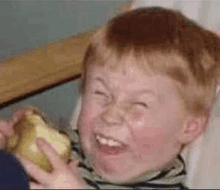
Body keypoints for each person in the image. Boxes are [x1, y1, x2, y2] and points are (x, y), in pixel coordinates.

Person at [2, 6, 220, 189]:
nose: (111, 116)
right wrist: (14, 147)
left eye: (139, 104)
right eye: (101, 94)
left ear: (189, 128)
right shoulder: (75, 149)